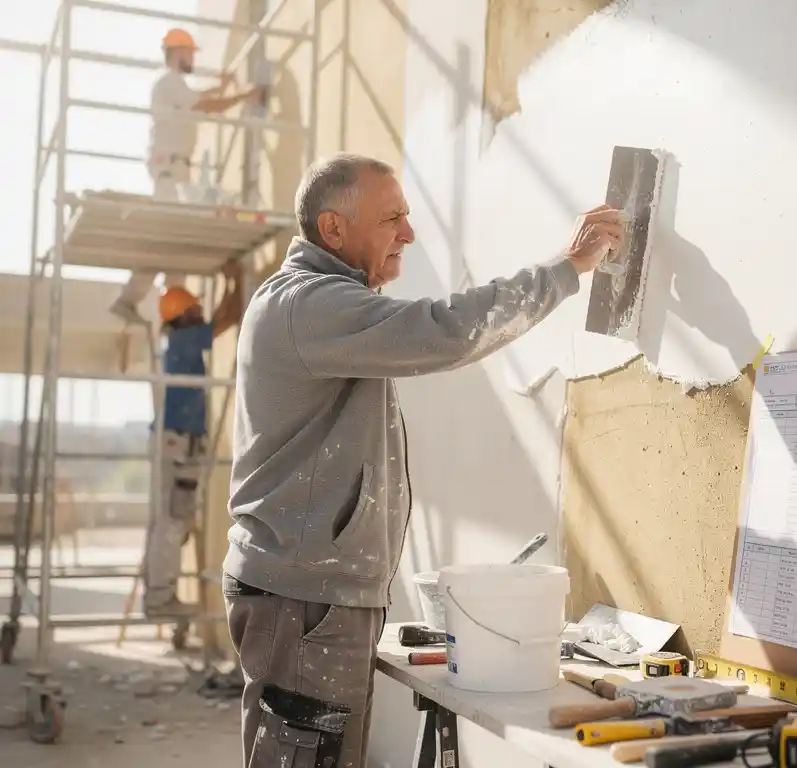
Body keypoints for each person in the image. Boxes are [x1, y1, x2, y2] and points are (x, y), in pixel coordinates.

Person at [222, 152, 624, 767]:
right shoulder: (311, 305)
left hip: (310, 593)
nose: (408, 233)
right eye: (392, 218)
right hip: (302, 596)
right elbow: (446, 329)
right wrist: (569, 268)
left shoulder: (318, 307)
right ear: (333, 229)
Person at [110, 27, 264, 326]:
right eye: (190, 53)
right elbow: (203, 106)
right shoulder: (169, 81)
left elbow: (198, 99)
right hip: (170, 172)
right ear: (177, 53)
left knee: (172, 246)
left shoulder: (172, 86)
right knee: (164, 240)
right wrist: (245, 95)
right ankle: (128, 298)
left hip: (173, 171)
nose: (192, 58)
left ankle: (169, 311)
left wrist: (221, 89)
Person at [143, 261, 243, 618]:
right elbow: (226, 320)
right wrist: (235, 283)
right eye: (195, 306)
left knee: (171, 520)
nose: (200, 310)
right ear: (183, 315)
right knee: (173, 520)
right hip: (178, 442)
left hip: (175, 439)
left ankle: (158, 595)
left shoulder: (174, 341)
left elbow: (219, 320)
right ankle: (158, 599)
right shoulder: (183, 339)